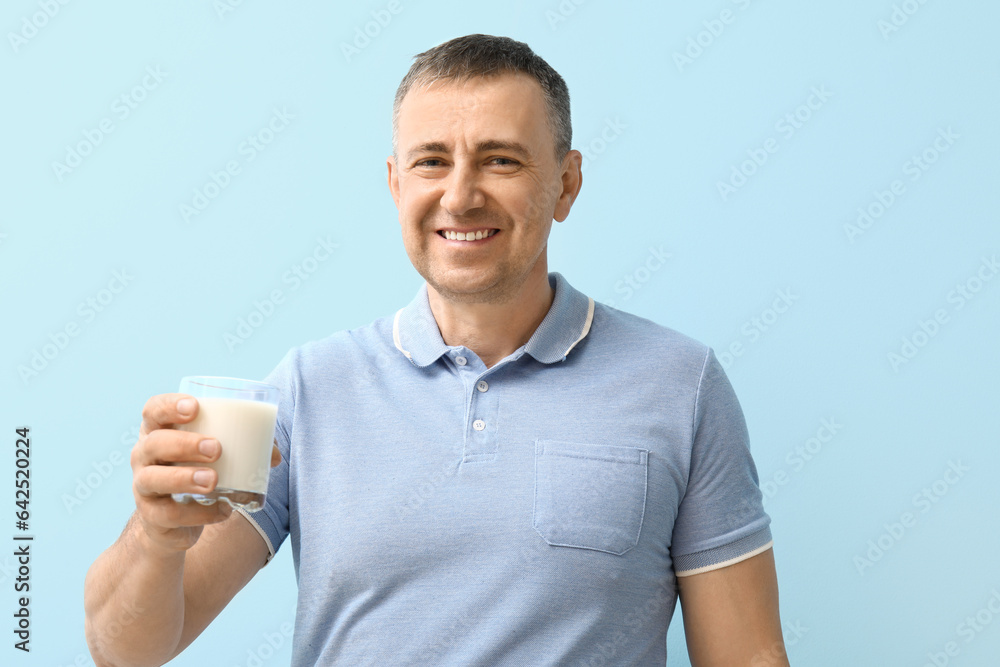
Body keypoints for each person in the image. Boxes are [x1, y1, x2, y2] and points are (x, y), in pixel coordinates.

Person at [84, 34, 789, 666]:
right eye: (431, 161)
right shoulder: (307, 388)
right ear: (396, 184)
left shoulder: (679, 384)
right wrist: (155, 535)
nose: (460, 195)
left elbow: (749, 653)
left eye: (500, 160)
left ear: (566, 182)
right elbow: (126, 650)